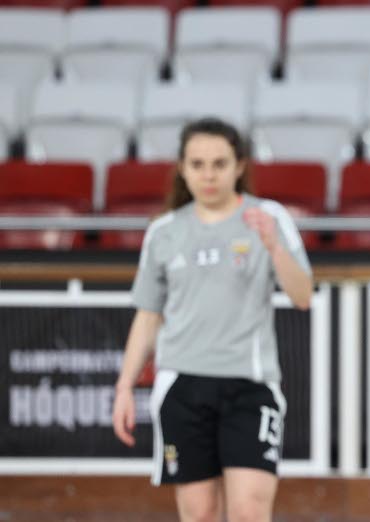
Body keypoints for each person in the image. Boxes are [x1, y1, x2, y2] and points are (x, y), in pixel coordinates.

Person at [111, 117, 314, 522]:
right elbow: (148, 315)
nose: (208, 175)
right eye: (198, 164)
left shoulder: (268, 217)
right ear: (182, 168)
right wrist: (124, 386)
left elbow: (303, 296)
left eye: (219, 164)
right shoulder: (164, 232)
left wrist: (274, 247)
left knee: (248, 511)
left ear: (239, 166)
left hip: (251, 386)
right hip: (182, 387)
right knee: (199, 513)